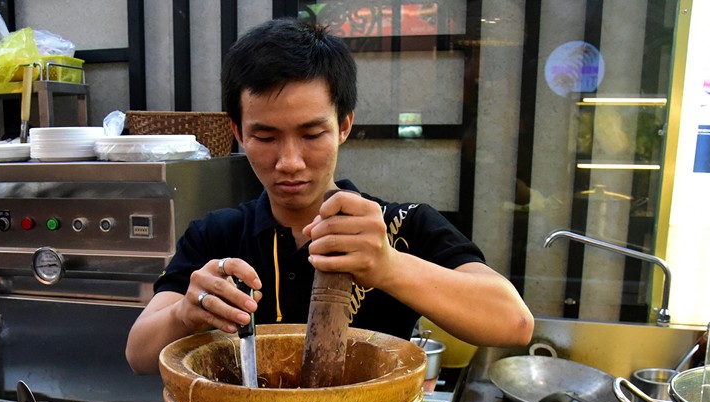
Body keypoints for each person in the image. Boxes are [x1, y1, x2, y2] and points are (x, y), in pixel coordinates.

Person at [125, 18, 533, 374]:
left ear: (344, 125)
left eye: (312, 134)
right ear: (238, 133)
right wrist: (185, 313)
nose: (289, 161)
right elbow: (138, 355)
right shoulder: (217, 236)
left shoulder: (400, 226)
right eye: (265, 136)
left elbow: (513, 323)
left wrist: (388, 265)